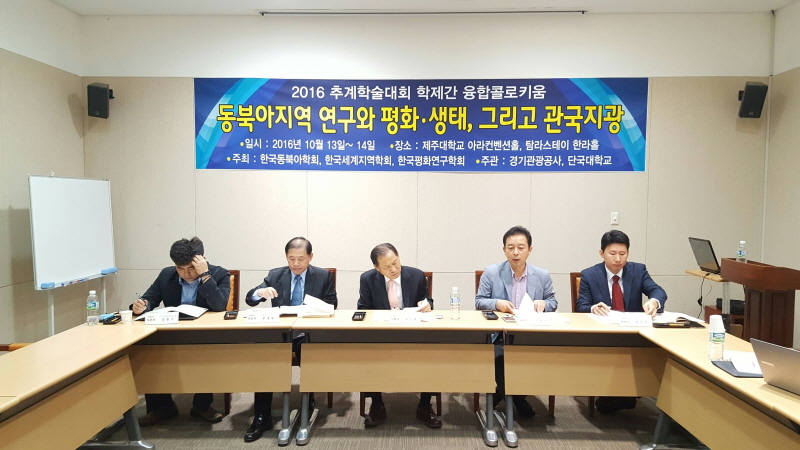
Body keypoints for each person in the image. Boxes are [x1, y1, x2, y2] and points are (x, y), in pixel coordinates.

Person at [242, 237, 337, 443]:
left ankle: (307, 402)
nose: (295, 263)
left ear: (310, 257)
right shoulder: (276, 275)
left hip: (307, 333)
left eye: (300, 259)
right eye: (291, 259)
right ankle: (262, 416)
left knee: (308, 352)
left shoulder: (322, 276)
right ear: (286, 257)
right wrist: (259, 293)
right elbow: (250, 299)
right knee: (265, 355)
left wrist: (313, 309)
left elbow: (332, 304)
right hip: (281, 334)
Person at [131, 237, 231, 426]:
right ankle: (162, 407)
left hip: (205, 334)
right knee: (149, 351)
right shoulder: (166, 275)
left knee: (207, 351)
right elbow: (150, 299)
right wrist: (142, 306)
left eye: (191, 268)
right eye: (180, 268)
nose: (186, 273)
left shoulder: (219, 274)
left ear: (202, 260)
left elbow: (219, 305)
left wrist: (205, 275)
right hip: (173, 332)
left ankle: (202, 406)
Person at [575, 229, 668, 414]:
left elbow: (658, 291)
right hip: (604, 335)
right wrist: (593, 308)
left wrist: (653, 301)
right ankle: (623, 393)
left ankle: (631, 391)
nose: (618, 259)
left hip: (634, 333)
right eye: (612, 253)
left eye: (622, 254)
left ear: (628, 253)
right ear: (601, 253)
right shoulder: (590, 275)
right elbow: (581, 306)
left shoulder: (638, 270)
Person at [356, 243, 440, 429]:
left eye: (395, 262)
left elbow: (427, 300)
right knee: (368, 351)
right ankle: (377, 405)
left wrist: (427, 305)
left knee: (432, 351)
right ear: (377, 268)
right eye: (387, 267)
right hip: (382, 334)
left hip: (413, 332)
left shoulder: (416, 276)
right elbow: (363, 308)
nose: (393, 269)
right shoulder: (368, 279)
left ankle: (424, 406)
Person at [476, 225, 557, 418]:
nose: (516, 252)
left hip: (531, 335)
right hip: (499, 335)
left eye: (521, 247)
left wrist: (543, 304)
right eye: (510, 247)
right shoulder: (492, 272)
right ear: (504, 249)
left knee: (540, 360)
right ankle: (518, 400)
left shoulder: (542, 275)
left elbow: (553, 302)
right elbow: (479, 301)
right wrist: (497, 303)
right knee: (501, 359)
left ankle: (501, 395)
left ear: (530, 249)